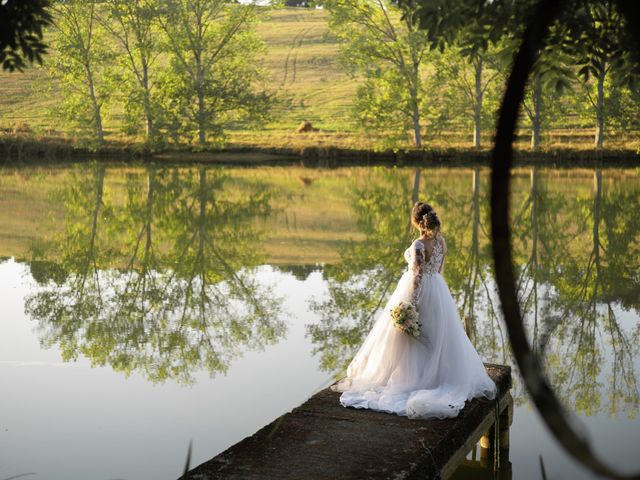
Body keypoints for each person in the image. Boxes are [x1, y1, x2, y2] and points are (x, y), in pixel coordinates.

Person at [333, 202, 496, 419]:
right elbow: (438, 270)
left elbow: (417, 277)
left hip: (420, 291)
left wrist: (410, 305)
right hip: (438, 290)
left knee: (412, 337)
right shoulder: (441, 242)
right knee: (436, 336)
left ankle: (414, 378)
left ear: (417, 222)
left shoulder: (420, 244)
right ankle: (437, 377)